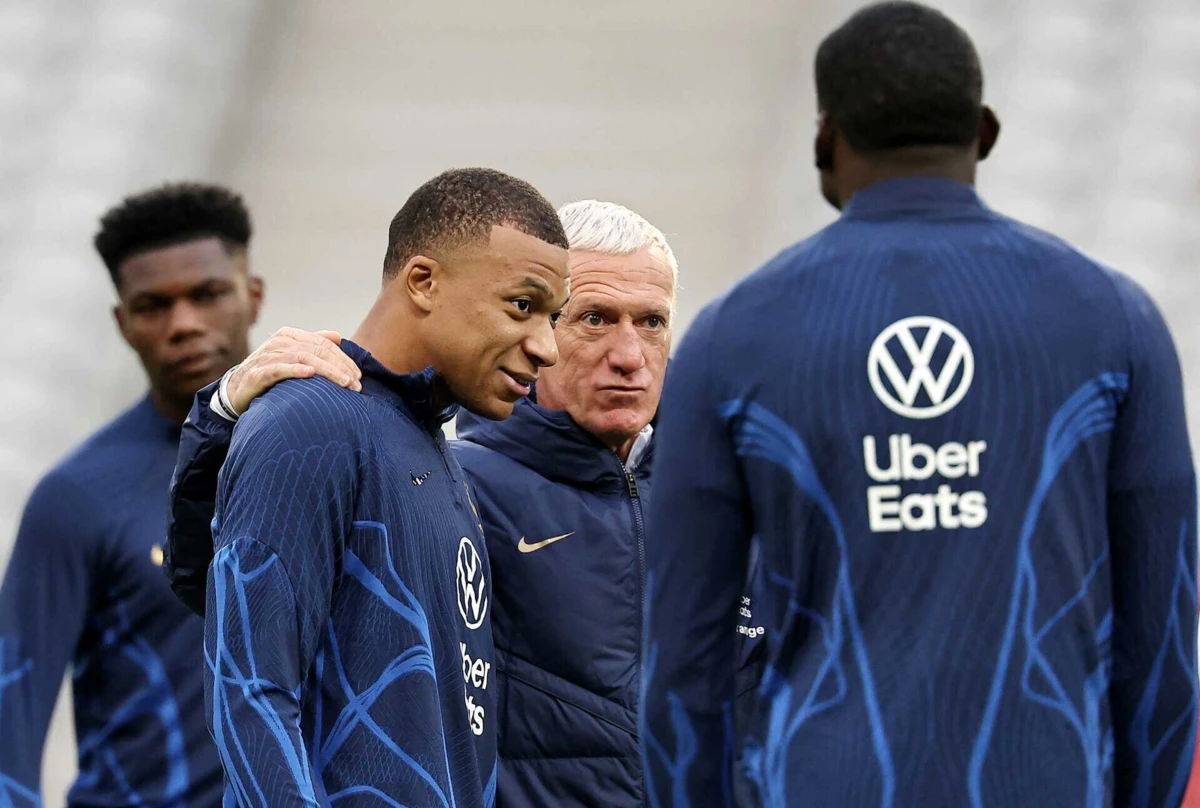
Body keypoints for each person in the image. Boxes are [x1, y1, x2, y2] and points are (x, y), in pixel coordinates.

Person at [639, 3, 1198, 808]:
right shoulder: (1117, 320)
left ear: (824, 141)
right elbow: (1163, 646)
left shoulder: (730, 339)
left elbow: (683, 665)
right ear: (986, 131)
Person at [163, 200, 767, 806]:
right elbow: (228, 591)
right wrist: (221, 417)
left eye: (652, 322)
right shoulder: (454, 478)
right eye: (594, 318)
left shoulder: (737, 497)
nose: (629, 355)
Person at [196, 167, 570, 806]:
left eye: (554, 317)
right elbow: (249, 687)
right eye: (523, 305)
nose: (548, 347)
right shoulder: (312, 422)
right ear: (423, 282)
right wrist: (217, 416)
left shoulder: (431, 445)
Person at [0, 183, 263, 806]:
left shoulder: (327, 461)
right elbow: (10, 722)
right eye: (153, 305)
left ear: (252, 297)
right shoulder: (79, 495)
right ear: (122, 324)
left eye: (207, 294)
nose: (184, 324)